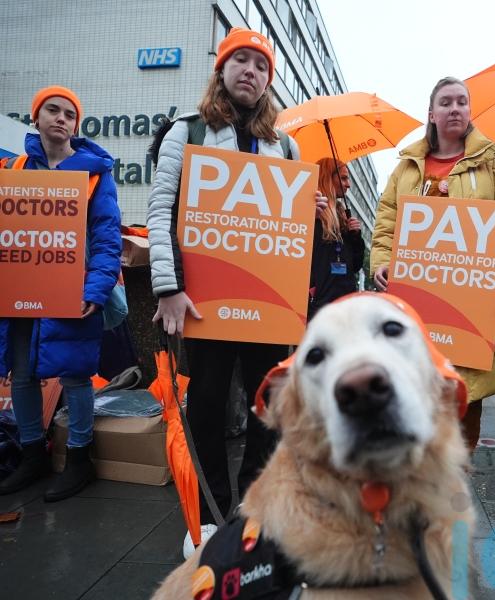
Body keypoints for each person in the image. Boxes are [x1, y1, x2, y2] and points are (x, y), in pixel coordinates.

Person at [146, 28, 304, 559]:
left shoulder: (285, 143)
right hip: (204, 299)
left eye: (260, 65)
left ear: (267, 81)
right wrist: (168, 287)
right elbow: (161, 210)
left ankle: (252, 512)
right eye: (241, 60)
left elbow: (287, 229)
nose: (250, 72)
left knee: (266, 408)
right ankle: (212, 512)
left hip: (264, 305)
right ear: (221, 68)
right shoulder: (186, 130)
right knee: (208, 406)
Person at [370, 76, 495, 451]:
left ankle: (453, 495)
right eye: (446, 102)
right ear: (432, 113)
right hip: (416, 303)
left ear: (470, 111)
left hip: (470, 308)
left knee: (464, 408)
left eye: (461, 102)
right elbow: (386, 222)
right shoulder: (408, 167)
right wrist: (381, 261)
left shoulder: (492, 163)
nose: (454, 108)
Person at [0, 86, 122, 501]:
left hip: (73, 288)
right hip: (20, 291)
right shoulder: (12, 169)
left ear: (76, 125)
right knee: (23, 374)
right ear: (36, 118)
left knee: (75, 374)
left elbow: (107, 237)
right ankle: (33, 454)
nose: (61, 118)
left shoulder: (95, 173)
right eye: (52, 110)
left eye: (70, 114)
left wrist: (97, 288)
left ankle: (79, 459)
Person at [308, 158, 365, 320]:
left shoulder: (343, 216)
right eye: (344, 177)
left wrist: (355, 237)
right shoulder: (310, 209)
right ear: (328, 177)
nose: (349, 184)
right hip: (318, 305)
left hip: (343, 304)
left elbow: (355, 265)